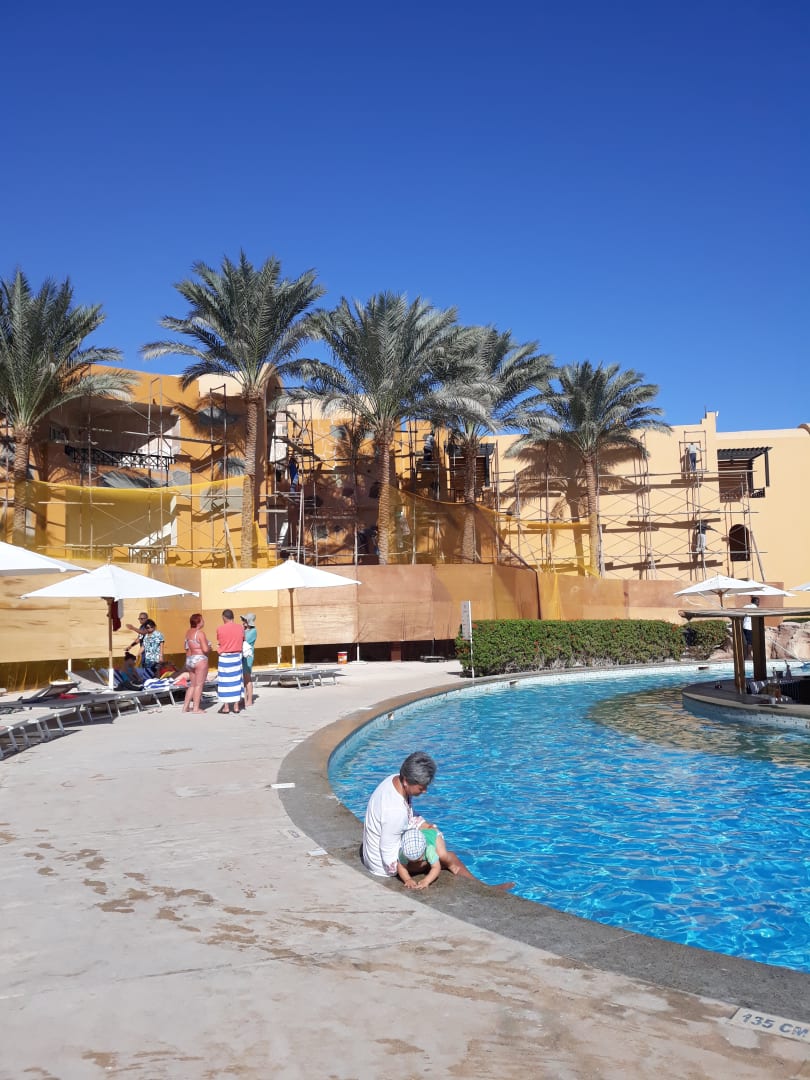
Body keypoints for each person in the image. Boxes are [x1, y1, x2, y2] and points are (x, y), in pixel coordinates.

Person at [362, 751, 513, 889]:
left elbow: (408, 815)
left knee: (433, 838)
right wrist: (422, 855)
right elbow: (390, 862)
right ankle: (484, 889)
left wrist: (424, 826)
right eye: (421, 787)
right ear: (407, 781)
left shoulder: (395, 780)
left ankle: (477, 884)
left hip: (379, 850)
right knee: (446, 857)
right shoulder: (395, 812)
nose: (425, 791)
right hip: (383, 866)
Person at [216, 608, 244, 714]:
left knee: (224, 682)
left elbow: (220, 642)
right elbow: (243, 639)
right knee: (237, 681)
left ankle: (226, 707)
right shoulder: (240, 628)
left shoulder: (220, 629)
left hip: (224, 657)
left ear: (224, 617)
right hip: (237, 657)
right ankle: (236, 706)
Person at [183, 613, 210, 714]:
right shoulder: (200, 633)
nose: (204, 621)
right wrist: (210, 647)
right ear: (198, 622)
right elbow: (205, 649)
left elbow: (186, 647)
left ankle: (185, 707)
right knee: (199, 685)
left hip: (190, 659)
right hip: (199, 659)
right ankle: (196, 708)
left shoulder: (188, 633)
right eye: (202, 620)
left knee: (192, 685)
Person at [240, 612, 257, 708]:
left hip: (248, 656)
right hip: (242, 655)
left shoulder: (253, 631)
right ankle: (245, 698)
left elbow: (245, 640)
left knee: (247, 677)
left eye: (244, 620)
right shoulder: (245, 630)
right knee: (244, 679)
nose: (243, 622)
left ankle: (249, 699)